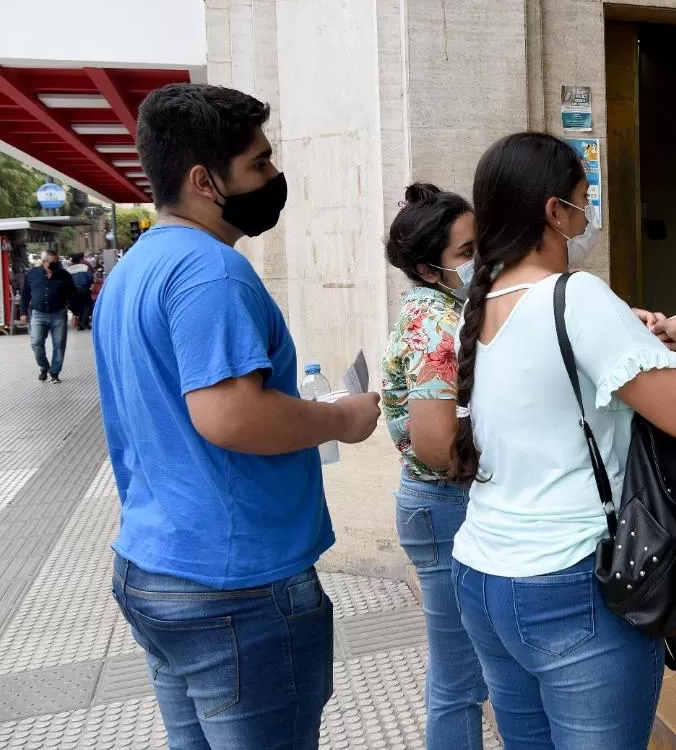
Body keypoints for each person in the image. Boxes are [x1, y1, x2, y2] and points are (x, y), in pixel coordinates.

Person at [94, 83, 382, 749]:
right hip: (235, 588)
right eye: (258, 163)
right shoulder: (211, 273)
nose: (274, 177)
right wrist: (340, 418)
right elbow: (230, 417)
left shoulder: (136, 269)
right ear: (204, 180)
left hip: (156, 567)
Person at [449, 132, 676, 750]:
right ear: (554, 212)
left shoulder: (478, 302)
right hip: (570, 582)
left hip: (482, 574)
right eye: (581, 199)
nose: (586, 215)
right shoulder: (576, 295)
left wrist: (631, 330)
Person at [381, 182, 488, 750]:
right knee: (459, 679)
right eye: (466, 253)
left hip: (438, 506)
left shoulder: (448, 307)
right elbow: (436, 445)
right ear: (428, 269)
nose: (480, 260)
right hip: (445, 507)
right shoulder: (435, 321)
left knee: (462, 672)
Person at [20, 249, 75, 383]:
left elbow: (72, 294)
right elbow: (25, 294)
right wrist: (23, 313)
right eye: (53, 262)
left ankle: (54, 373)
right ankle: (44, 367)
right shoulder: (32, 274)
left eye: (57, 262)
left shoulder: (64, 275)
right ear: (44, 262)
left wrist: (75, 313)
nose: (56, 264)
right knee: (36, 343)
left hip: (59, 314)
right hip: (38, 314)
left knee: (59, 345)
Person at [65, 252, 95, 330]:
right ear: (80, 259)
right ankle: (83, 323)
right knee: (87, 305)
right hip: (84, 288)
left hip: (73, 290)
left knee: (78, 306)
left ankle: (82, 322)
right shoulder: (84, 267)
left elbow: (66, 281)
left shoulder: (68, 269)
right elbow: (90, 277)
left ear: (72, 261)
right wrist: (91, 284)